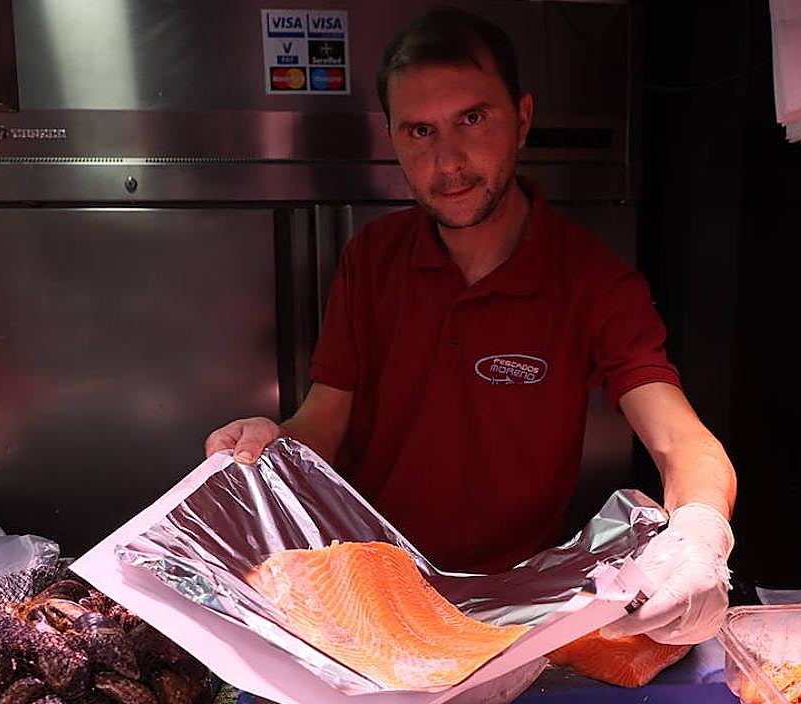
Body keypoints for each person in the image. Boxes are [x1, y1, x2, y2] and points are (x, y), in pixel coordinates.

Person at [205, 6, 736, 644]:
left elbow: (682, 441)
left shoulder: (594, 281)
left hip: (518, 604)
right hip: (370, 592)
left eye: (473, 119)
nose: (448, 161)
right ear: (393, 137)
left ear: (522, 119)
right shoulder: (371, 258)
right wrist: (270, 442)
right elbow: (323, 422)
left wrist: (701, 536)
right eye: (420, 131)